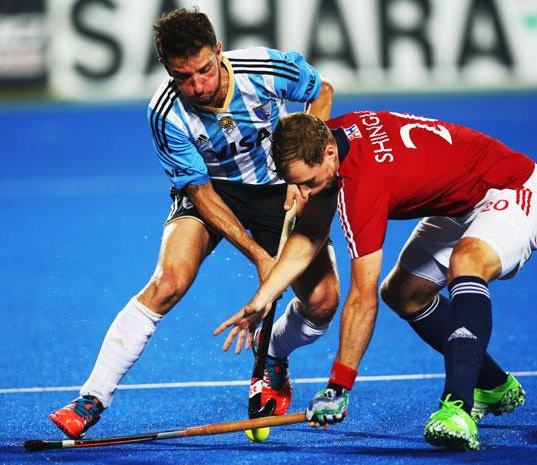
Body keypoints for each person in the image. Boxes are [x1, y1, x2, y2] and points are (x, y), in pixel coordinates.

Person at [48, 8, 340, 439]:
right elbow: (202, 194)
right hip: (214, 192)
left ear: (219, 51)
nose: (199, 86)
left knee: (323, 300)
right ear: (167, 69)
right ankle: (92, 397)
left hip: (277, 189)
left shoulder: (265, 68)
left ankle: (274, 354)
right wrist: (261, 257)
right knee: (168, 281)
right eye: (184, 77)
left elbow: (322, 91)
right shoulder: (165, 114)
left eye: (205, 70)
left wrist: (304, 172)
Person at [214, 110, 537, 450]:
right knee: (405, 293)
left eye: (308, 183)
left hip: (514, 190)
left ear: (329, 153)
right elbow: (310, 233)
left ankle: (458, 409)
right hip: (461, 203)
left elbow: (362, 297)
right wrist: (261, 300)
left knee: (467, 262)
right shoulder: (328, 135)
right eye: (295, 183)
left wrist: (339, 386)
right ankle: (493, 384)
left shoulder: (362, 185)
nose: (301, 195)